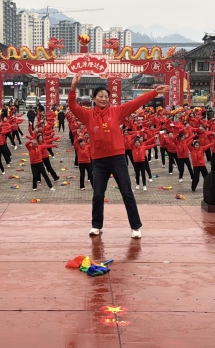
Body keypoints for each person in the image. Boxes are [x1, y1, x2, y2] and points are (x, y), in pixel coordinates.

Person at [68, 73, 168, 239]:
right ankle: (96, 225)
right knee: (98, 195)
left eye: (106, 96)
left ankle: (135, 226)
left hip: (117, 159)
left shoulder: (116, 112)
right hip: (99, 161)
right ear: (94, 98)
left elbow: (136, 103)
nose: (103, 98)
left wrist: (154, 93)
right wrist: (72, 88)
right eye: (100, 96)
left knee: (127, 193)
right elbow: (73, 106)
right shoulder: (88, 115)